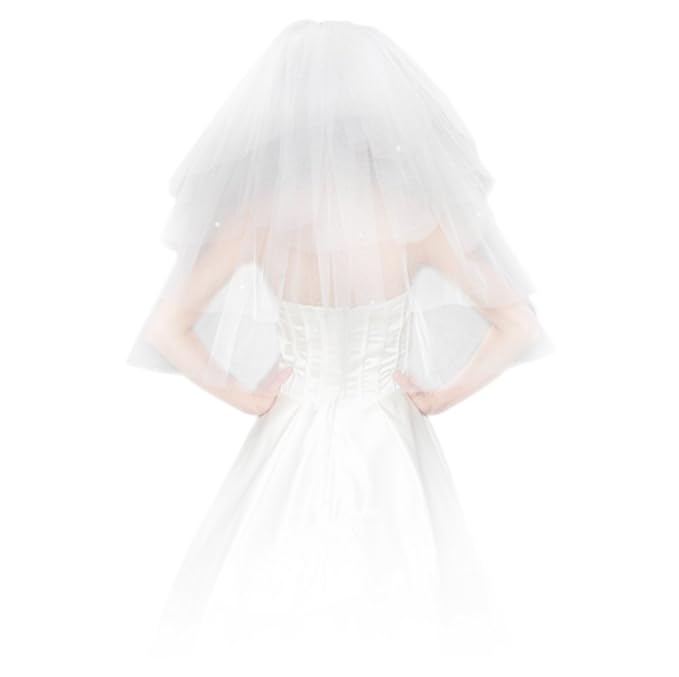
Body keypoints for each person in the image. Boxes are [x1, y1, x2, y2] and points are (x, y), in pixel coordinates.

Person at [127, 19, 551, 676]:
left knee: (263, 607)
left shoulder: (258, 220)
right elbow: (516, 321)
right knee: (410, 606)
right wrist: (441, 396)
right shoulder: (417, 220)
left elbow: (165, 326)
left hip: (289, 434)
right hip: (389, 436)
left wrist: (245, 397)